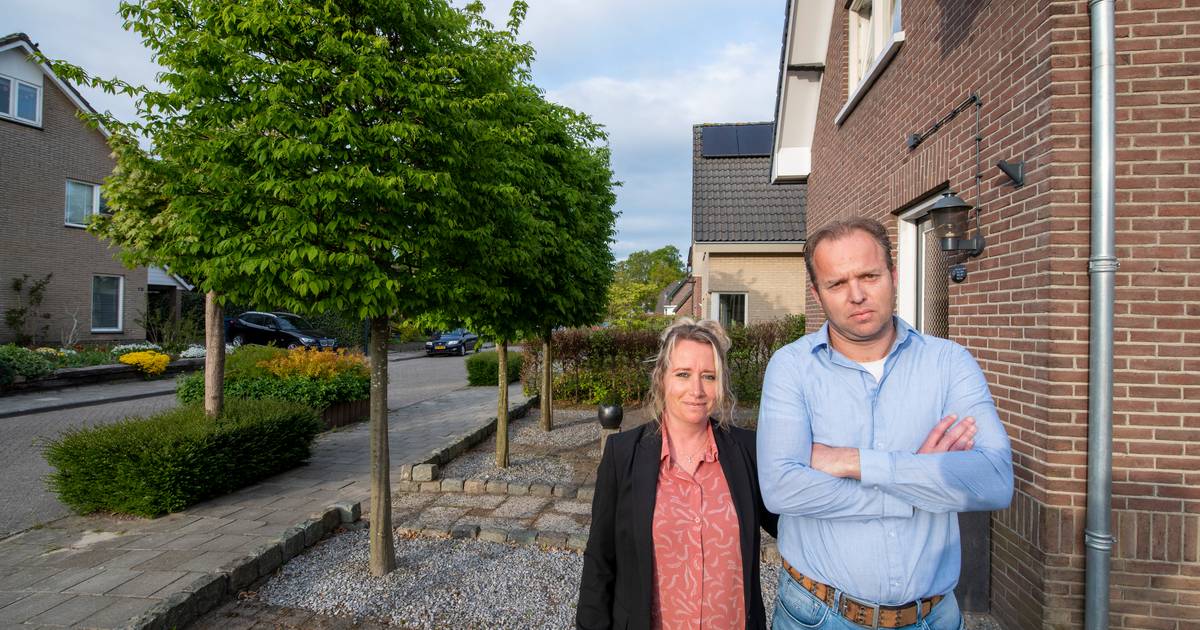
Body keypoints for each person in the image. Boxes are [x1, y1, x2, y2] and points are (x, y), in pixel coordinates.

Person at [757, 217, 1013, 630]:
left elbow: (995, 480)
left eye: (869, 276)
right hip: (819, 614)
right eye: (837, 284)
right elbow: (781, 489)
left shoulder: (949, 363)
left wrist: (854, 462)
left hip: (931, 617)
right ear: (817, 294)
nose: (856, 295)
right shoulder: (792, 368)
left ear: (893, 275)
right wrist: (916, 484)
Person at [578, 318, 779, 630]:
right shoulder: (623, 454)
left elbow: (792, 526)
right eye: (683, 374)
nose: (696, 390)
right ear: (662, 379)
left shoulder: (748, 451)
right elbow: (599, 563)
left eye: (708, 376)